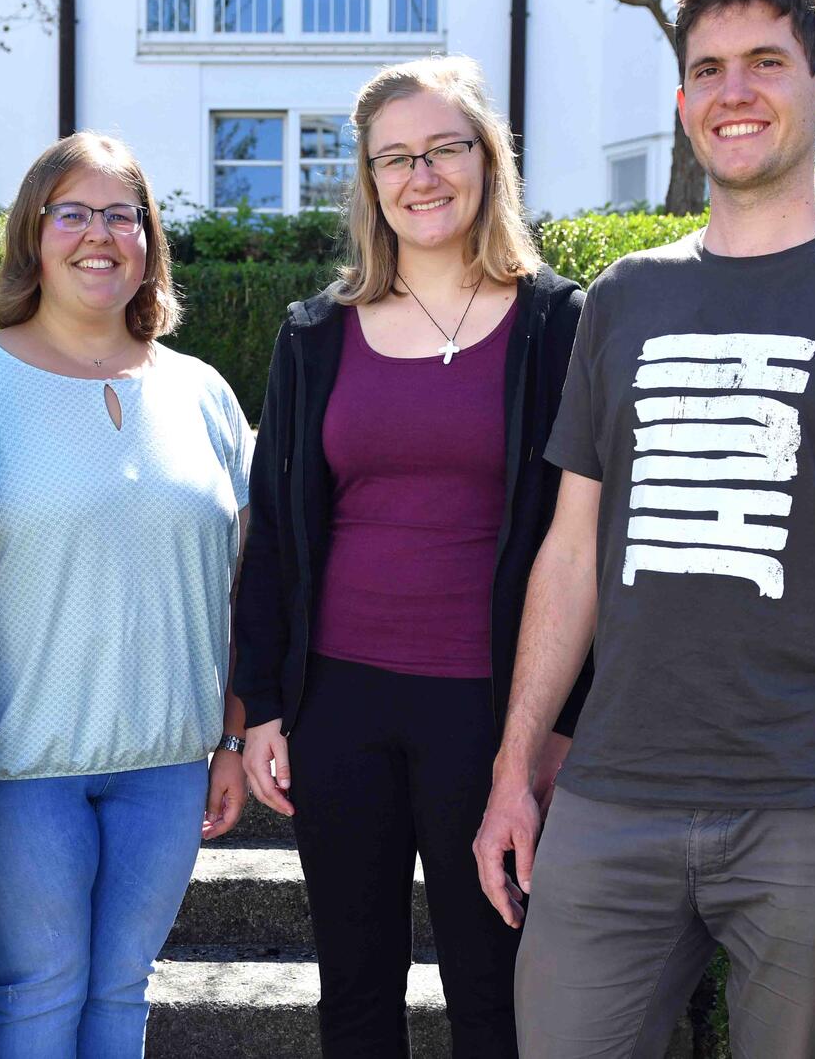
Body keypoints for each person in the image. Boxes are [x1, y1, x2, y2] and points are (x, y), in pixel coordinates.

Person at [474, 0, 815, 1059]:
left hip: (812, 798)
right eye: (707, 69)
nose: (734, 92)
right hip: (614, 789)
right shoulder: (624, 299)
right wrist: (514, 766)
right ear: (683, 100)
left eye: (766, 63)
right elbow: (571, 552)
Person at [236, 55, 591, 1058]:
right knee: (354, 989)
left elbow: (586, 540)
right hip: (337, 702)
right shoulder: (315, 334)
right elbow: (276, 531)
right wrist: (262, 704)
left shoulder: (557, 324)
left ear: (488, 159)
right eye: (394, 157)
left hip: (491, 709)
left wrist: (560, 723)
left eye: (444, 149)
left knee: (494, 987)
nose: (420, 176)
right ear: (368, 179)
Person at [0, 131, 253, 1057]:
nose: (99, 235)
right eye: (73, 213)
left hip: (169, 764)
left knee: (123, 992)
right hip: (19, 767)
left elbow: (249, 583)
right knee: (37, 991)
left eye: (122, 215)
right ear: (32, 233)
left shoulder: (203, 392)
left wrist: (232, 735)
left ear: (148, 239)